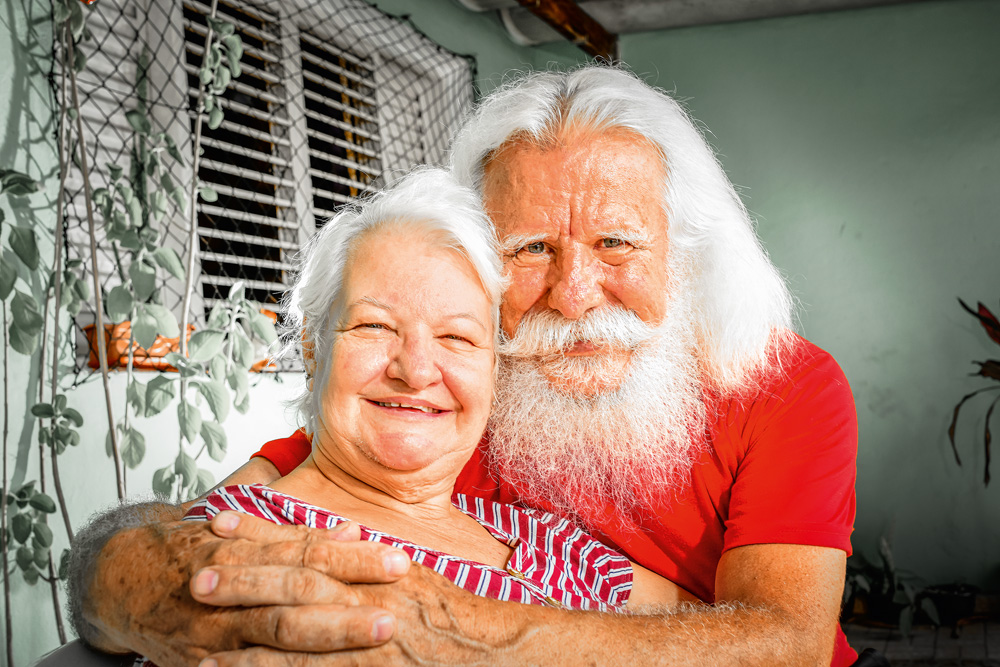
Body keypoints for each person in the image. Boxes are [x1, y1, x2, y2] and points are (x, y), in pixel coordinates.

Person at [68, 65, 857, 667]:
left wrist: (456, 629)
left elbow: (787, 643)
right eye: (532, 249)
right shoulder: (457, 389)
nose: (575, 295)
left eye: (616, 242)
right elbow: (199, 527)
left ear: (687, 252)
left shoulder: (790, 387)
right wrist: (138, 580)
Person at [129, 168, 687, 667]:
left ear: (493, 371)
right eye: (374, 326)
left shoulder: (544, 538)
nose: (417, 370)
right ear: (312, 348)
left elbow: (718, 640)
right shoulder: (241, 538)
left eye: (457, 337)